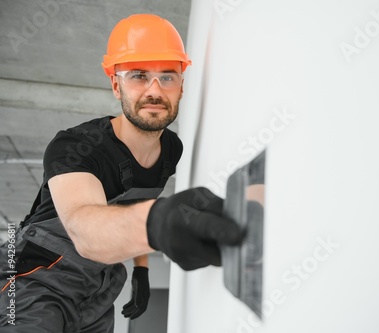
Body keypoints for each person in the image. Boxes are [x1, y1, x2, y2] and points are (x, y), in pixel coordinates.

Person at [0, 13, 242, 332]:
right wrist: (158, 222)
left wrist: (141, 269)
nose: (154, 90)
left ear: (182, 86)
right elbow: (84, 226)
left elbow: (135, 206)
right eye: (139, 75)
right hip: (32, 282)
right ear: (116, 84)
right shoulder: (76, 147)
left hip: (97, 292)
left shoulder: (171, 150)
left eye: (167, 76)